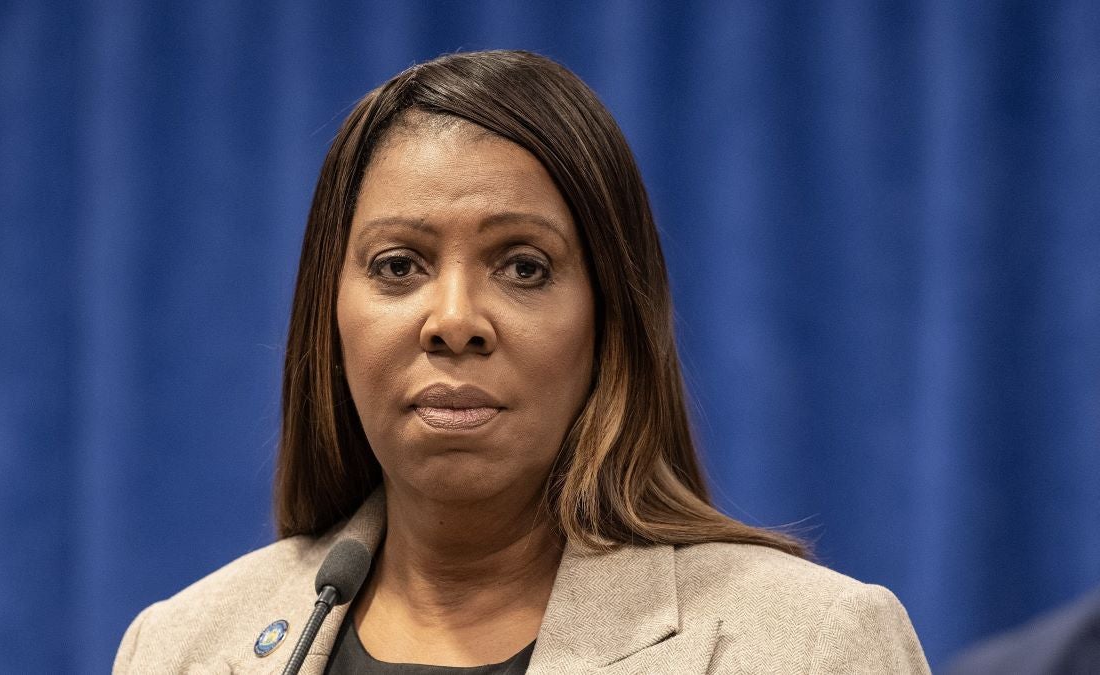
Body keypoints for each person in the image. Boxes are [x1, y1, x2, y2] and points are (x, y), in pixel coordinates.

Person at [113, 50, 930, 674]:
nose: (454, 320)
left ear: (609, 320)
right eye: (398, 265)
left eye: (524, 267)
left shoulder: (812, 644)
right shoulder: (181, 646)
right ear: (329, 316)